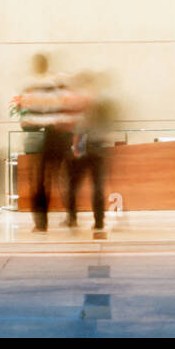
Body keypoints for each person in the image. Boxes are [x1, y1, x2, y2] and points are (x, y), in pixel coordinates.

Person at [14, 54, 84, 232]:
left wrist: (29, 116)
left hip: (47, 136)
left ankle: (41, 223)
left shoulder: (35, 84)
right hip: (62, 135)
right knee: (62, 179)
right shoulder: (58, 83)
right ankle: (71, 217)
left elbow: (29, 114)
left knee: (41, 181)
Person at [66, 72, 115, 238]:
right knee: (97, 186)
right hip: (100, 147)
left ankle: (72, 218)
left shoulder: (85, 101)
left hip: (86, 147)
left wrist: (75, 146)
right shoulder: (104, 102)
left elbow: (80, 126)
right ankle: (99, 221)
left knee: (74, 184)